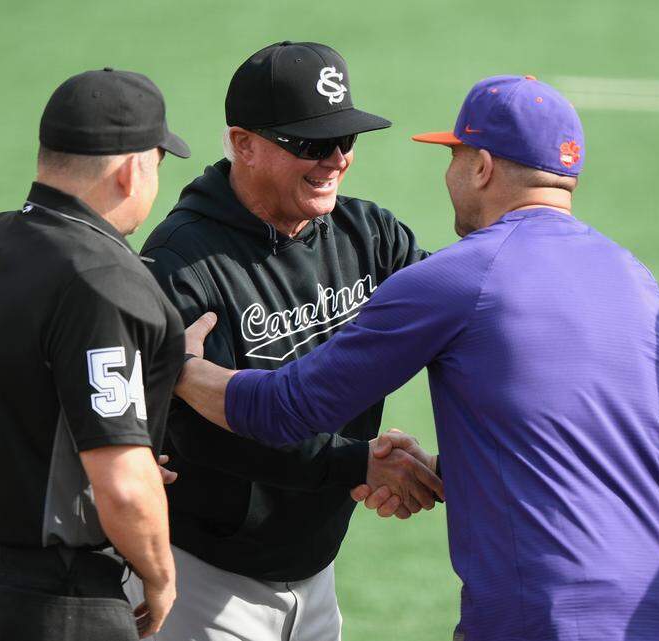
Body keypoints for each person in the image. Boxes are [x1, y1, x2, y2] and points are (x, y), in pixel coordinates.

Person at [175, 75, 659, 641]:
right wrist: (439, 471)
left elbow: (284, 408)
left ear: (481, 167)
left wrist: (178, 366)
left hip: (544, 605)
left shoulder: (460, 277)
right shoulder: (636, 279)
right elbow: (635, 435)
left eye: (454, 154)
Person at [127, 41, 442, 641]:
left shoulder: (370, 236)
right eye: (311, 145)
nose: (336, 161)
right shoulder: (180, 264)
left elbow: (459, 322)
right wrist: (360, 463)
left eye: (345, 141)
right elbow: (201, 429)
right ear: (243, 143)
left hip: (318, 575)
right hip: (201, 583)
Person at [0, 68, 190, 641]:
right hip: (47, 605)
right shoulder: (106, 278)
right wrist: (159, 578)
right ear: (135, 169)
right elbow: (123, 482)